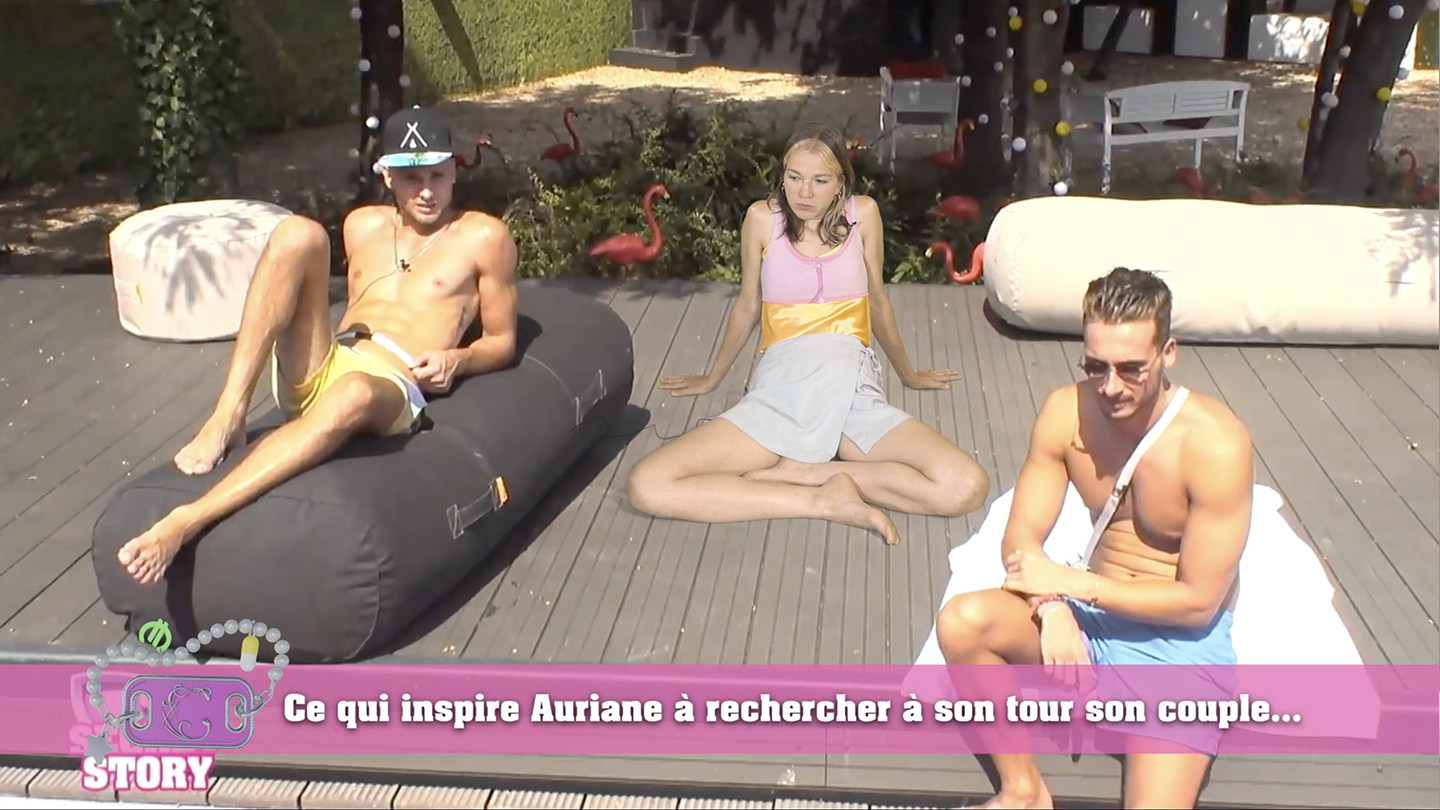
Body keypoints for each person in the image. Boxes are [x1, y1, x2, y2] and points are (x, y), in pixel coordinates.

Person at [117, 106, 519, 585]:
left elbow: (502, 341)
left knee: (355, 390)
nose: (427, 191)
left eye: (437, 174)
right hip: (328, 360)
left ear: (455, 169)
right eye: (413, 178)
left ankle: (186, 520)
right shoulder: (361, 225)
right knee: (298, 232)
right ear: (388, 176)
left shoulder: (484, 236)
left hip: (389, 383)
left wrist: (459, 358)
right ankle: (228, 414)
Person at [934, 267, 1253, 809]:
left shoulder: (1215, 442)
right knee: (963, 622)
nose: (1110, 386)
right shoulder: (1067, 413)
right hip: (1091, 619)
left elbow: (1198, 603)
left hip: (1176, 649)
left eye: (1131, 369)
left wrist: (1071, 585)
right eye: (1095, 366)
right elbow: (1020, 539)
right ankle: (1024, 790)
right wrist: (1052, 606)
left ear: (1168, 353)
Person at [625, 123, 990, 545]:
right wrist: (712, 378)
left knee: (965, 486)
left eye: (820, 181)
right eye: (794, 177)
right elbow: (747, 305)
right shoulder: (761, 219)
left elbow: (877, 301)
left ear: (840, 184)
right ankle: (818, 499)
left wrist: (908, 374)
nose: (804, 192)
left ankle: (810, 472)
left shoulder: (863, 214)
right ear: (782, 174)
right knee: (647, 483)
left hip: (851, 390)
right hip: (782, 391)